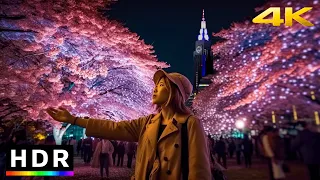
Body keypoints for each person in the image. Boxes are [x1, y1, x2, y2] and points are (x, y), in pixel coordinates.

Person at [46, 69, 212, 180]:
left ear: (175, 93)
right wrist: (74, 120)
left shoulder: (191, 123)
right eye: (156, 85)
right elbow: (113, 128)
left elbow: (199, 171)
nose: (155, 89)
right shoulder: (147, 123)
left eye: (161, 86)